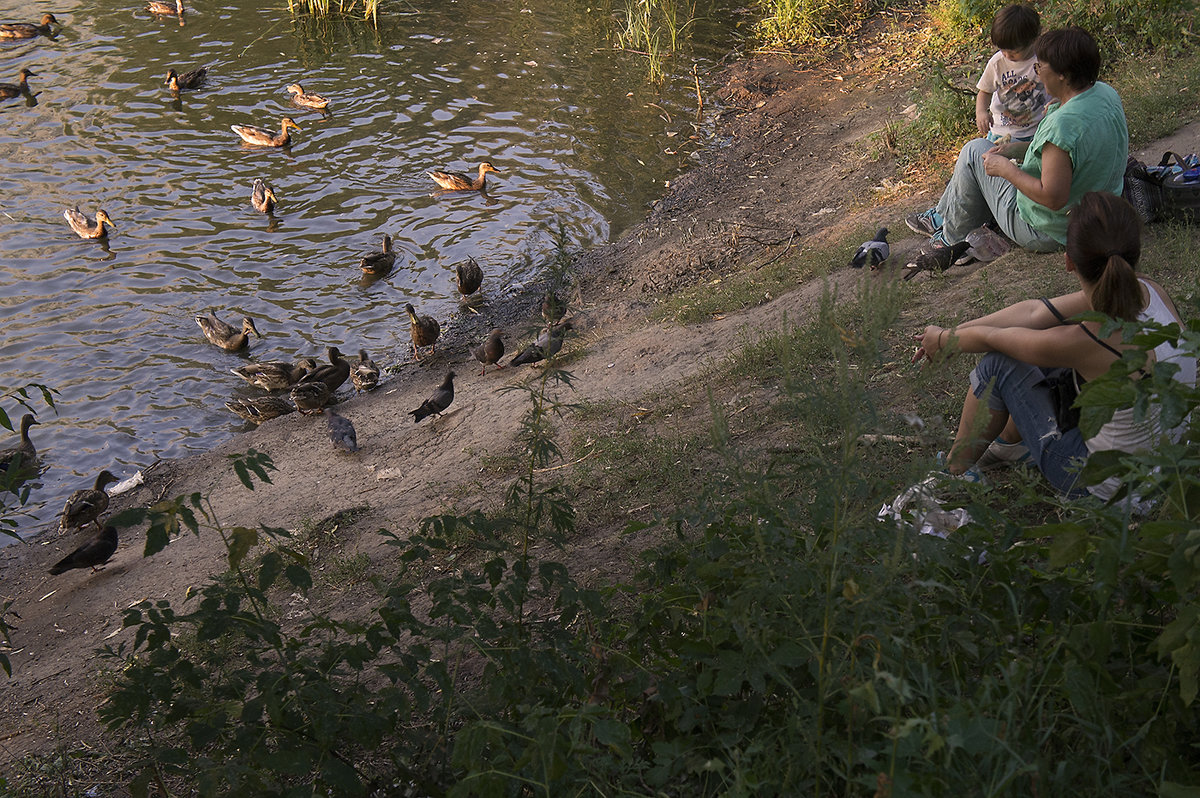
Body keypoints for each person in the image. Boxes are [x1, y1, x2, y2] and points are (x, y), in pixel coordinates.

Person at [912, 192, 1196, 501]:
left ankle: (956, 471)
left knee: (999, 366)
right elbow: (1033, 313)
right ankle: (1010, 444)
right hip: (1170, 465)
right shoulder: (1149, 289)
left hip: (1109, 490)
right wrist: (949, 334)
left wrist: (942, 340)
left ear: (1068, 260)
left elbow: (994, 339)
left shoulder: (1089, 339)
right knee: (1048, 347)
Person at [906, 26, 1128, 254]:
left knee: (974, 151)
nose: (1038, 73)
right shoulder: (1105, 93)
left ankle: (951, 241)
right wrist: (1015, 150)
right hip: (1099, 215)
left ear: (1062, 74)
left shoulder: (1062, 126)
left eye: (1040, 67)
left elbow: (1052, 198)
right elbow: (1071, 157)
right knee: (983, 153)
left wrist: (1006, 170)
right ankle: (944, 217)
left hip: (1047, 230)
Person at [975, 4, 1049, 144]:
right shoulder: (997, 63)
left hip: (1038, 130)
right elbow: (984, 91)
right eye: (1003, 50)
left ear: (1033, 40)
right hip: (1002, 132)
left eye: (1014, 52)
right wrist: (981, 112)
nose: (1008, 55)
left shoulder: (1044, 59)